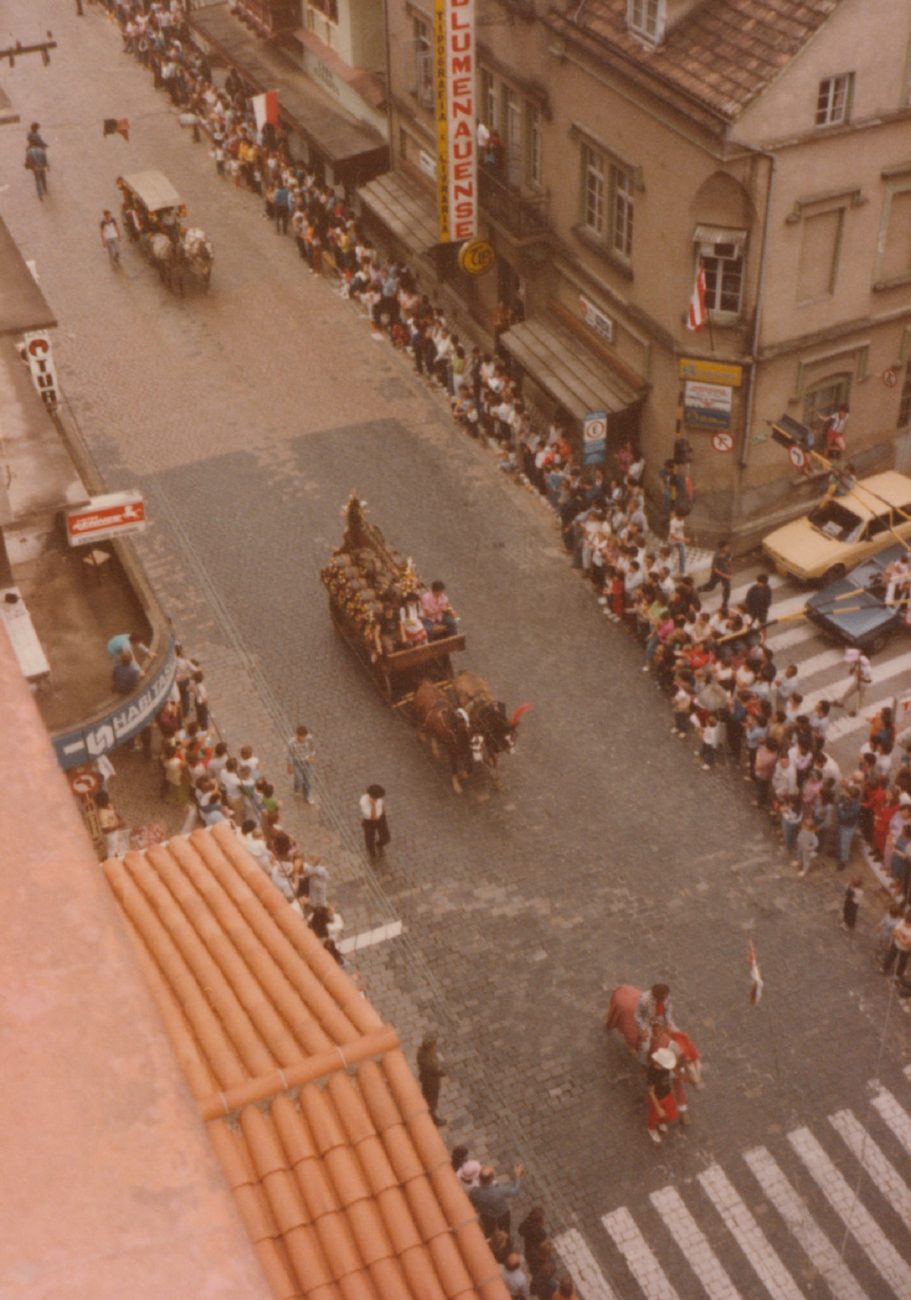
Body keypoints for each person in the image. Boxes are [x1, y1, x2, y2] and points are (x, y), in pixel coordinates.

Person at [469, 1164, 524, 1239]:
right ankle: (505, 1240)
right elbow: (515, 1191)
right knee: (505, 1230)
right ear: (491, 1179)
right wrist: (517, 1176)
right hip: (502, 1215)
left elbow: (473, 1202)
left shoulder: (474, 1192)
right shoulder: (499, 1190)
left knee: (489, 1229)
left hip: (487, 1216)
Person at [647, 1046, 679, 1144]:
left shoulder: (665, 1068)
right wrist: (658, 1108)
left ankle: (661, 1122)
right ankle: (651, 1129)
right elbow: (651, 1092)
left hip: (667, 1094)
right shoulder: (653, 1072)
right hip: (658, 1098)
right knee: (654, 1116)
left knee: (671, 1113)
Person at [416, 1033, 447, 1126]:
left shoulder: (421, 1052)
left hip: (426, 1079)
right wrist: (443, 1070)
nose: (435, 1048)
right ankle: (432, 1119)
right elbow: (437, 1070)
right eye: (433, 1046)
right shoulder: (429, 1062)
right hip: (431, 1083)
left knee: (427, 1097)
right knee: (431, 1101)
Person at [698, 541, 733, 613]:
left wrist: (730, 573)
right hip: (716, 574)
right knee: (710, 587)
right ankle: (698, 589)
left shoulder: (728, 553)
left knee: (727, 588)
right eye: (727, 546)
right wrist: (725, 576)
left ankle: (724, 604)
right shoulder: (716, 556)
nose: (728, 548)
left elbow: (729, 562)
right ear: (722, 548)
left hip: (725, 572)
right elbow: (714, 569)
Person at [838, 648, 872, 717]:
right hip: (857, 681)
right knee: (848, 691)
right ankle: (841, 702)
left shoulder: (867, 669)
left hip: (863, 684)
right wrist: (852, 669)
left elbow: (869, 680)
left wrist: (860, 678)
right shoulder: (857, 663)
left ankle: (857, 712)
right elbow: (852, 670)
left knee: (860, 698)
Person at [360, 783, 390, 858]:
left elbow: (382, 804)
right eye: (378, 798)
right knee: (370, 839)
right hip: (370, 821)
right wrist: (373, 805)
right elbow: (374, 818)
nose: (380, 799)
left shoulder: (378, 797)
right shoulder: (364, 802)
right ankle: (371, 851)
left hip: (381, 817)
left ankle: (379, 844)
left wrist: (383, 814)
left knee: (386, 837)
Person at [287, 724, 316, 803]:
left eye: (304, 737)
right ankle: (296, 787)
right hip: (297, 763)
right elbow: (290, 755)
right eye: (301, 738)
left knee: (308, 780)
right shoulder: (291, 743)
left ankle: (308, 796)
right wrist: (290, 766)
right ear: (297, 735)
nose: (303, 740)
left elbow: (312, 749)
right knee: (299, 779)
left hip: (307, 762)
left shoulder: (310, 739)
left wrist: (312, 757)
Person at [882, 907, 911, 980]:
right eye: (905, 922)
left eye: (908, 924)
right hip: (896, 944)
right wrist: (901, 938)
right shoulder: (902, 921)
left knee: (902, 962)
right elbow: (895, 931)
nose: (905, 925)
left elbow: (907, 942)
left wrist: (900, 936)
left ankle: (898, 975)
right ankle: (885, 968)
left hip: (906, 949)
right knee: (890, 956)